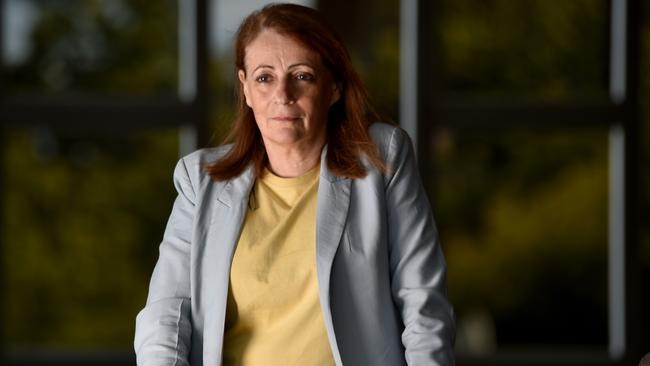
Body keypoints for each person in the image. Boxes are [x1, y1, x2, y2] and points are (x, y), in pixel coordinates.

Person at [134, 3, 455, 365]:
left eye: (301, 76)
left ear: (333, 87)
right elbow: (166, 314)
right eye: (264, 77)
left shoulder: (382, 159)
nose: (282, 95)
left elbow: (422, 303)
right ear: (246, 89)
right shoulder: (200, 181)